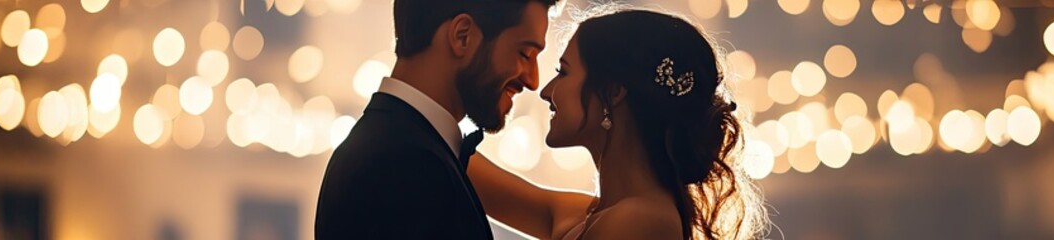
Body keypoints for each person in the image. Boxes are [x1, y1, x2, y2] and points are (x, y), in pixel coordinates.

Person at [468, 7, 769, 240]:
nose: (545, 91)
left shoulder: (639, 222)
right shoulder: (594, 215)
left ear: (613, 92)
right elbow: (473, 175)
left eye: (563, 72)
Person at [314, 0, 558, 238]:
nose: (533, 81)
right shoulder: (409, 166)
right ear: (462, 36)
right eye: (525, 54)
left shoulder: (398, 146)